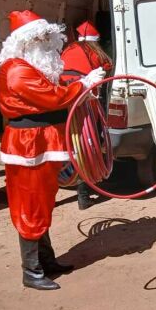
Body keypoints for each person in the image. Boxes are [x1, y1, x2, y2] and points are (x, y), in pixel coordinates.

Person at [0, 10, 106, 290]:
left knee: (42, 202)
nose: (48, 42)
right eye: (41, 38)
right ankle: (31, 270)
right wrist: (83, 84)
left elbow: (53, 88)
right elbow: (51, 96)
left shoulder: (31, 68)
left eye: (49, 36)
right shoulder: (17, 70)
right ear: (26, 42)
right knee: (31, 204)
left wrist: (80, 83)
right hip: (29, 144)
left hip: (42, 140)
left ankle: (45, 260)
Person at [60, 21, 113, 210]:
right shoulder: (95, 53)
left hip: (66, 104)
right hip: (86, 105)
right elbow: (108, 65)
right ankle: (84, 195)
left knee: (72, 147)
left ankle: (65, 187)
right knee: (86, 148)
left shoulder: (67, 50)